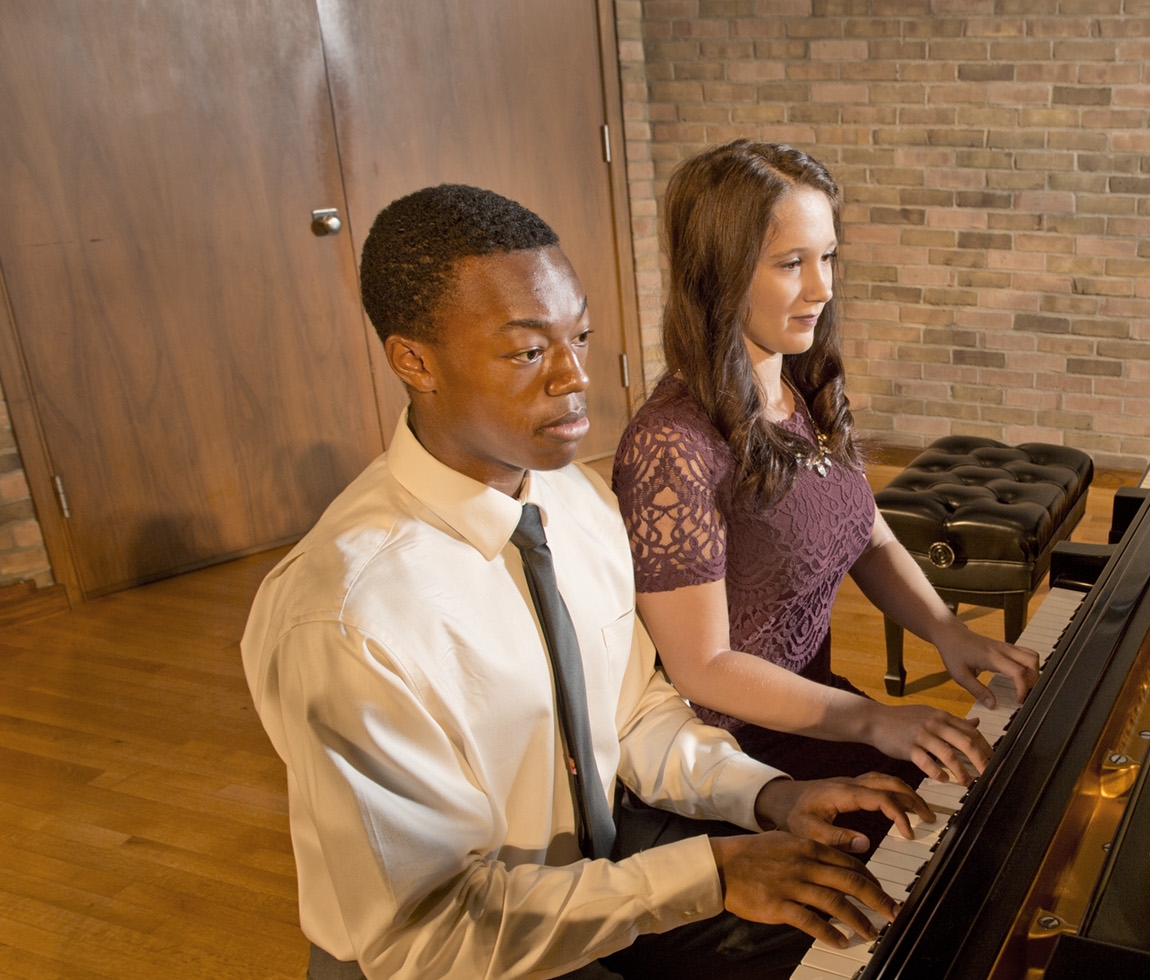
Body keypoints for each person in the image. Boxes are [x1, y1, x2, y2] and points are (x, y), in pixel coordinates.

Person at [241, 183, 931, 980]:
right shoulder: (348, 620)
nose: (575, 377)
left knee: (872, 916)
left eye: (581, 337)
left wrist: (767, 797)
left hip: (597, 883)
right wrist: (712, 875)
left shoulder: (577, 501)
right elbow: (424, 934)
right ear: (413, 360)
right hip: (460, 957)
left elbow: (634, 712)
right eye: (529, 351)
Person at [611, 140, 1040, 793]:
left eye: (827, 257)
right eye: (791, 263)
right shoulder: (670, 447)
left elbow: (868, 533)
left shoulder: (801, 390)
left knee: (992, 790)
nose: (823, 287)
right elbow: (702, 667)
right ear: (718, 274)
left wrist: (947, 632)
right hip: (734, 764)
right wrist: (873, 721)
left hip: (818, 712)